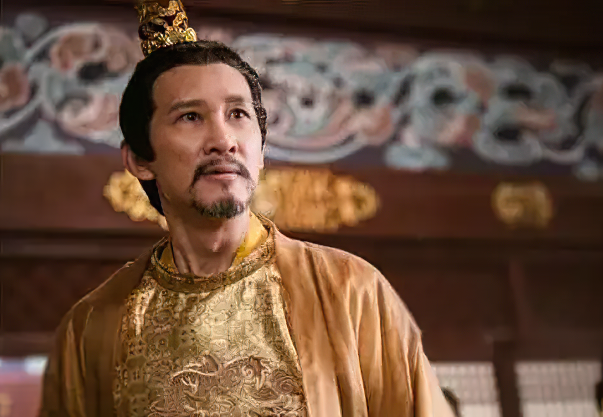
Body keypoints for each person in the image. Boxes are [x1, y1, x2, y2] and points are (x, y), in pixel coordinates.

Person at [39, 1, 454, 416]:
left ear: (261, 151)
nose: (224, 140)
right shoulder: (92, 328)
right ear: (139, 160)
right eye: (190, 117)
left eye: (238, 114)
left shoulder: (350, 292)